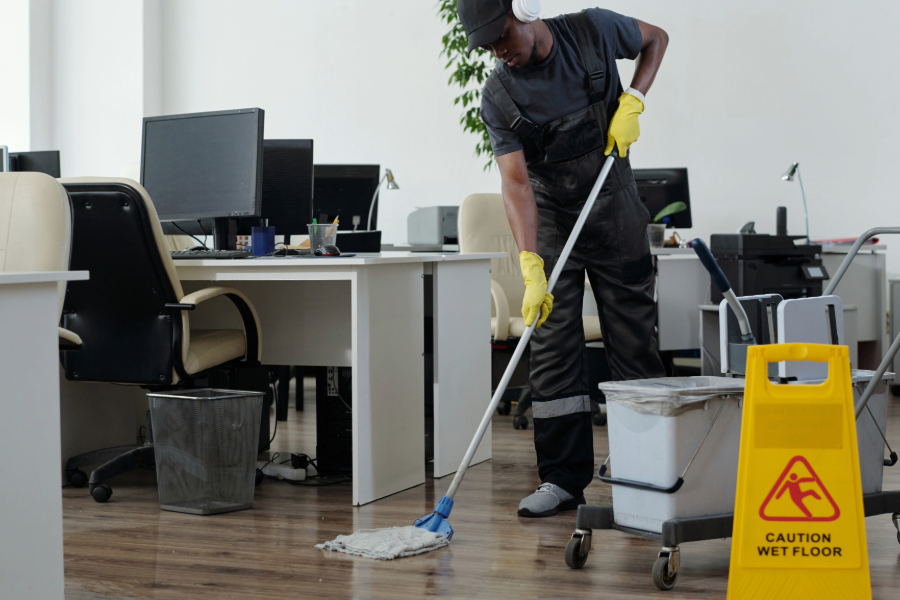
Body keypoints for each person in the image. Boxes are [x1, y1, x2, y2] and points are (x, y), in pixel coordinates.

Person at [457, 0, 669, 517]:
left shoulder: (593, 31)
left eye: (501, 35)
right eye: (486, 46)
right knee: (551, 348)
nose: (498, 51)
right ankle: (561, 480)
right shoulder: (499, 95)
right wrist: (531, 263)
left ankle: (648, 471)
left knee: (633, 340)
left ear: (524, 10)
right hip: (552, 217)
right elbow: (515, 183)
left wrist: (635, 97)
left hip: (614, 204)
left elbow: (656, 37)